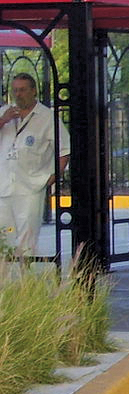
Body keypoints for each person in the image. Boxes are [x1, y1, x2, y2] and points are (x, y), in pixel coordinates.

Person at [0, 73, 70, 257]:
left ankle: (26, 280)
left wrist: (54, 176)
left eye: (22, 90)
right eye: (15, 90)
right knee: (3, 237)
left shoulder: (46, 117)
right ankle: (6, 280)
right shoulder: (5, 113)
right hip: (4, 185)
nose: (18, 94)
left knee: (27, 238)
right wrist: (3, 120)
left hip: (30, 186)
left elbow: (64, 149)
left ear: (33, 91)